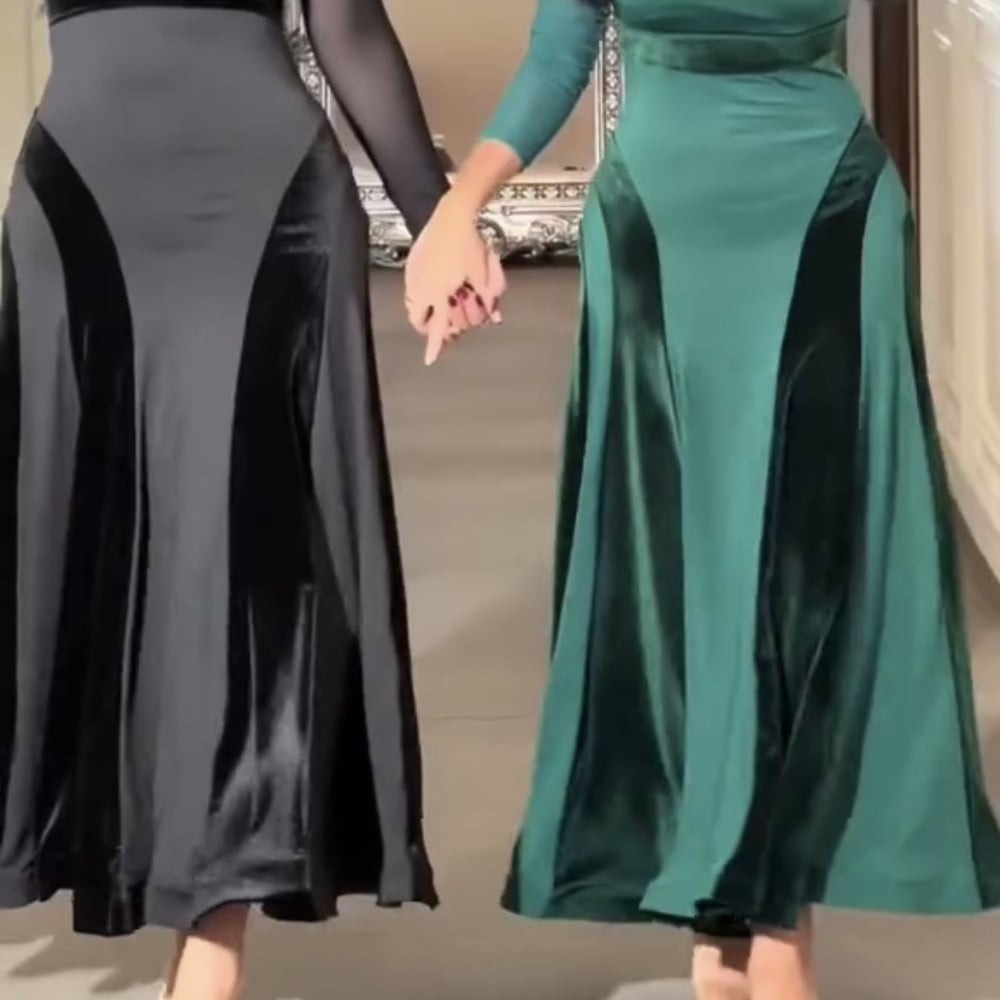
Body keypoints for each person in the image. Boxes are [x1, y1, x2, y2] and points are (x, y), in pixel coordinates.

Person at [405, 1, 1000, 998]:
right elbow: (559, 51)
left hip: (824, 209)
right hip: (659, 230)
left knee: (800, 565)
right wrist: (459, 208)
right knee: (684, 571)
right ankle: (726, 920)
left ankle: (764, 930)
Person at [0, 2, 497, 998]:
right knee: (67, 548)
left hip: (264, 201)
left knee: (244, 567)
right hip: (84, 194)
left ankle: (211, 937)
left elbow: (347, 24)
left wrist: (436, 220)